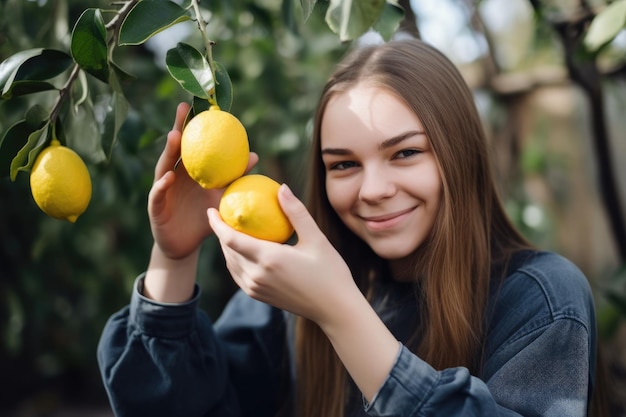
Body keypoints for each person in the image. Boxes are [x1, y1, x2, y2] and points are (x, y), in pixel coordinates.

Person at [97, 39, 602, 417]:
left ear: (460, 153)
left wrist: (339, 311)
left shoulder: (540, 299)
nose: (373, 189)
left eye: (405, 153)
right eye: (343, 165)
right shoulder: (291, 294)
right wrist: (176, 257)